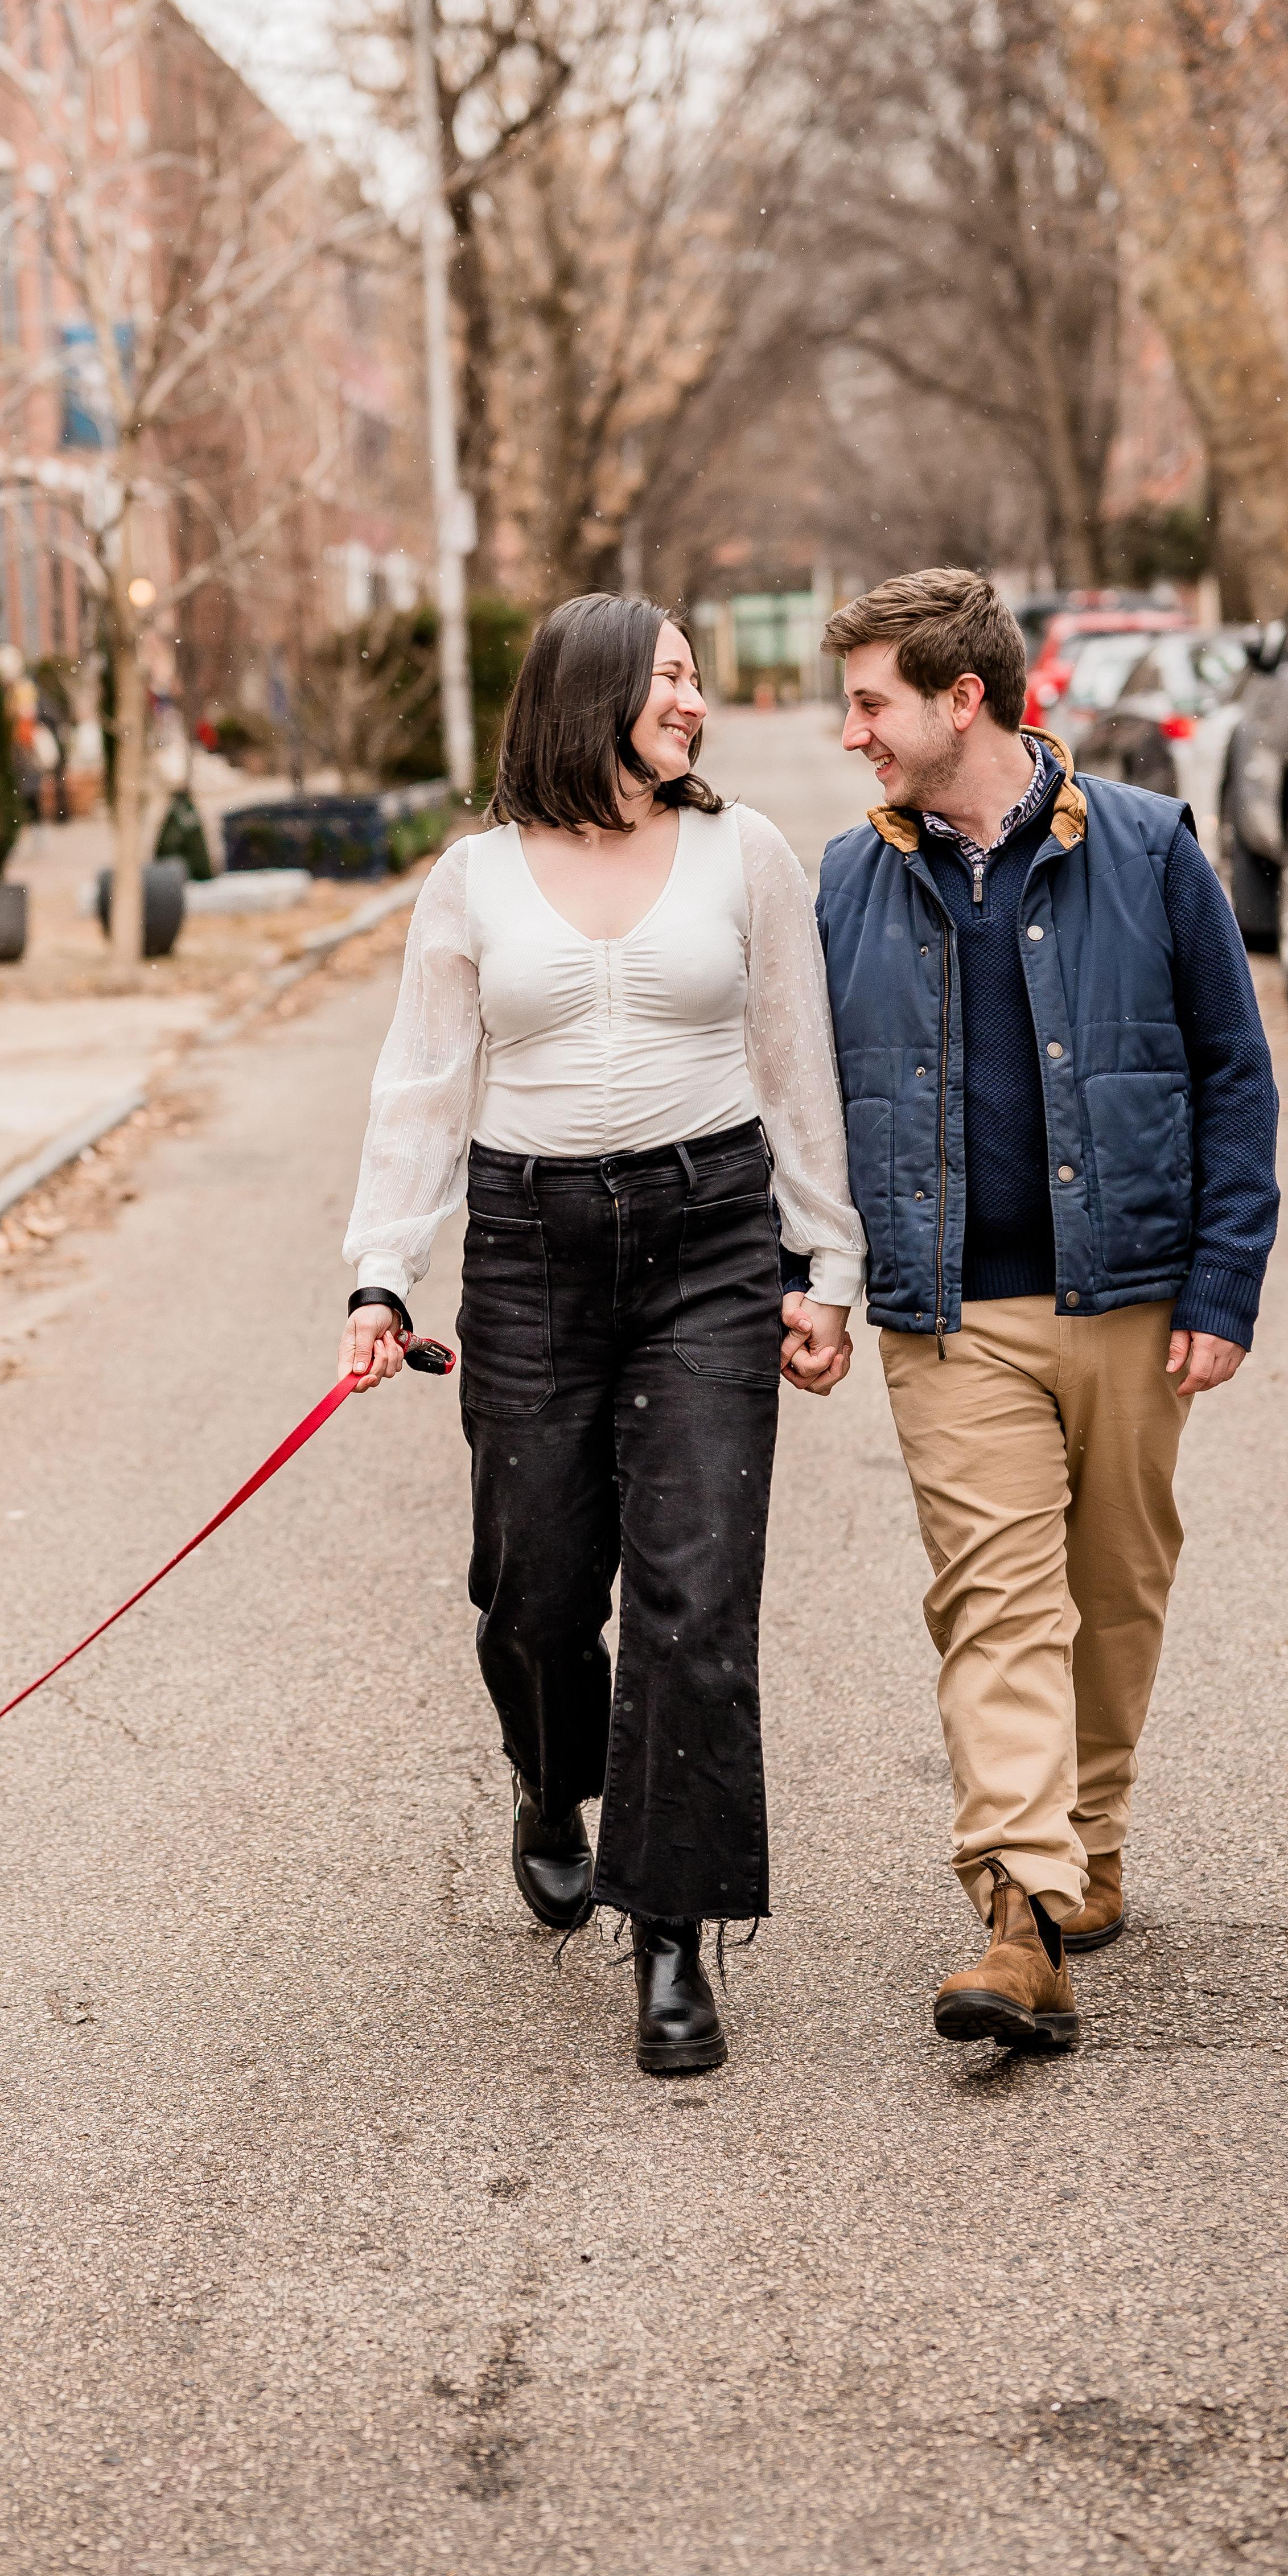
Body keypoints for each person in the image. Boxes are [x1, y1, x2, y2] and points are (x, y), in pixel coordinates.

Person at [338, 592, 866, 2076]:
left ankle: (672, 1934)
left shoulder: (741, 853)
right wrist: (382, 1276)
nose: (695, 701)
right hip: (531, 1258)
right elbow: (422, 1085)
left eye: (696, 677)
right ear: (595, 696)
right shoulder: (476, 877)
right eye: (672, 678)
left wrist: (826, 1262)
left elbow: (793, 1059)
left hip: (710, 1242)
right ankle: (550, 1776)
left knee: (695, 1602)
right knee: (539, 1589)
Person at [808, 569, 1280, 2056]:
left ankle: (1092, 1837)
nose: (851, 735)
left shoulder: (1145, 849)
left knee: (1117, 1588)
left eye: (871, 703)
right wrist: (809, 1276)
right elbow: (801, 1106)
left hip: (1132, 1297)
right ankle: (1019, 1916)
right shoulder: (847, 881)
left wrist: (1223, 1281)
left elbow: (1232, 1073)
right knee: (1000, 1604)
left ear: (965, 700)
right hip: (949, 1313)